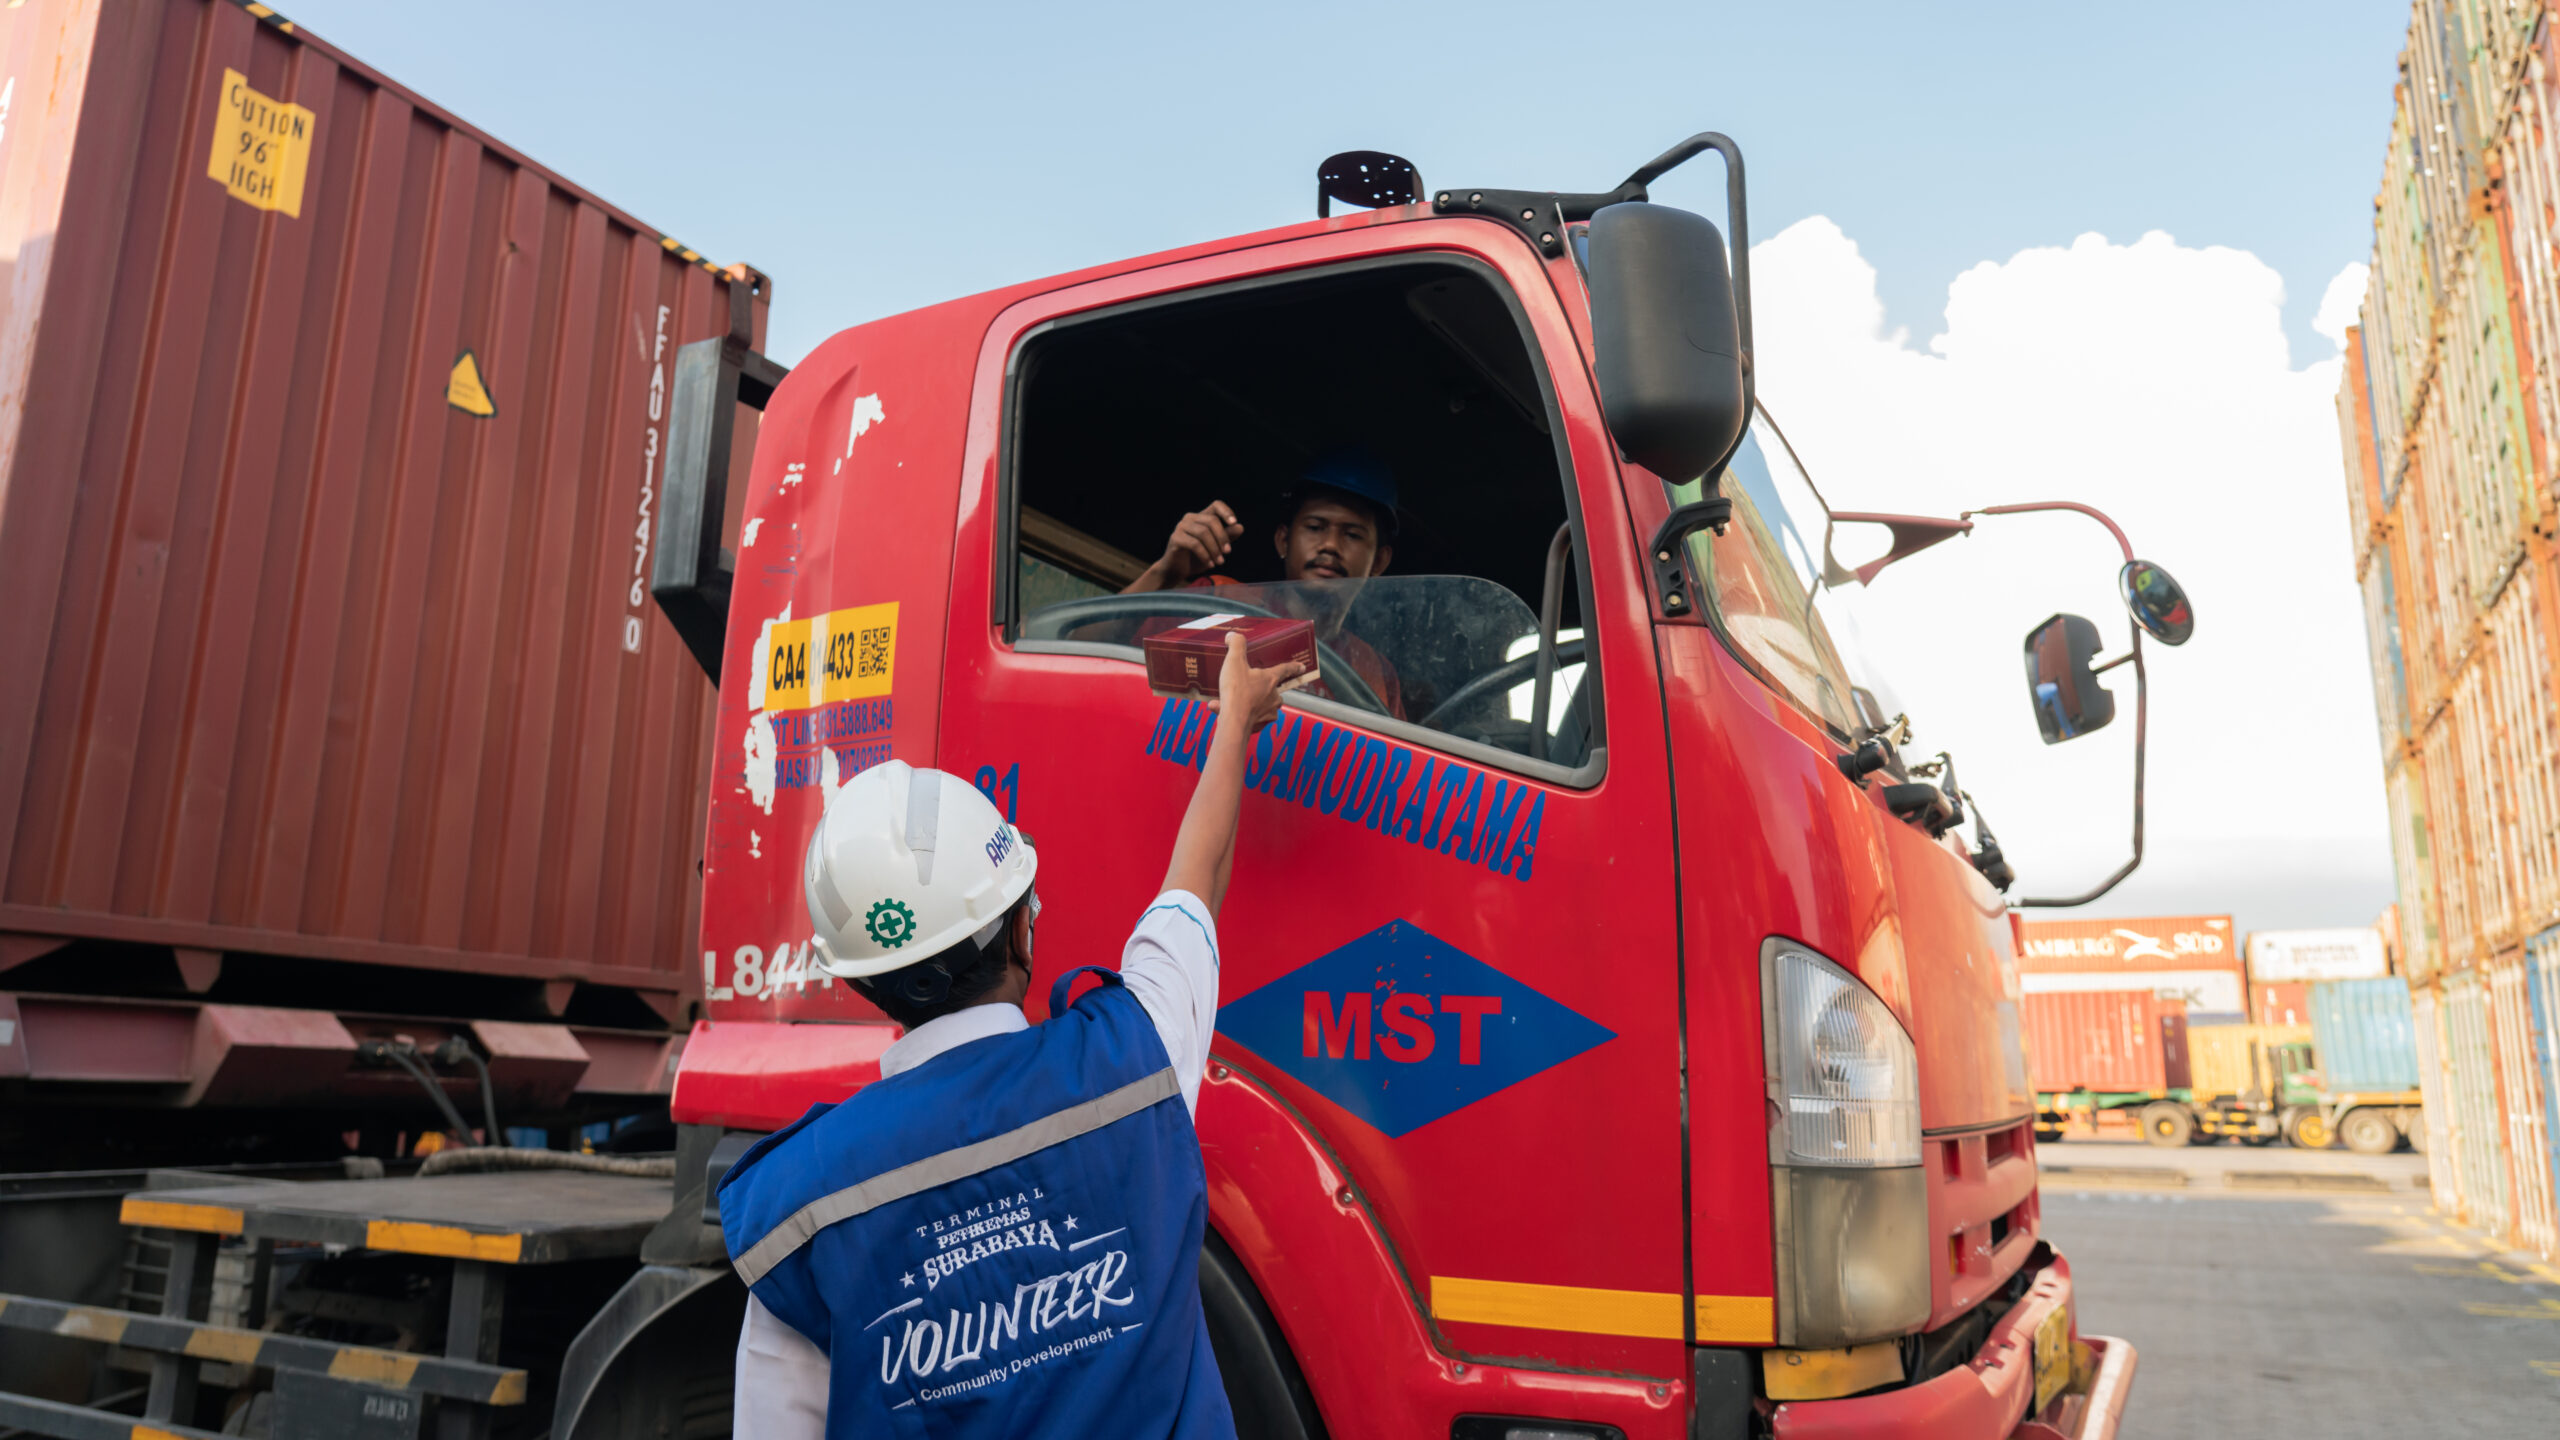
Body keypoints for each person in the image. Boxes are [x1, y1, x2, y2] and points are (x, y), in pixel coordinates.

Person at [719, 633, 1303, 1440]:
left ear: (862, 981)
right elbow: (1194, 885)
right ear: (1021, 938)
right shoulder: (1134, 1060)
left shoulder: (802, 1208)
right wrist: (1235, 717)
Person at [1122, 452, 1406, 718]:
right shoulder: (1217, 601)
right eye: (1315, 527)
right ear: (1283, 540)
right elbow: (1093, 651)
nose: (1330, 545)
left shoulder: (1376, 673)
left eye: (1353, 535)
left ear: (1380, 561)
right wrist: (1163, 574)